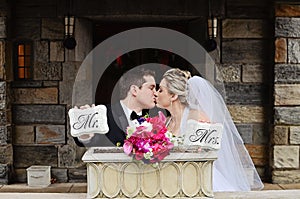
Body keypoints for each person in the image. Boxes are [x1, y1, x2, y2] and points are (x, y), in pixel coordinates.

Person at [155, 68, 264, 192]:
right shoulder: (165, 122)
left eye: (161, 90)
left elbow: (206, 154)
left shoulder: (197, 118)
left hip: (199, 178)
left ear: (173, 95)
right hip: (172, 176)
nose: (156, 93)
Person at [74, 68, 157, 147]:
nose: (155, 93)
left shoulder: (154, 119)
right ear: (134, 90)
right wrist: (85, 135)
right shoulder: (104, 114)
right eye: (151, 88)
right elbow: (92, 142)